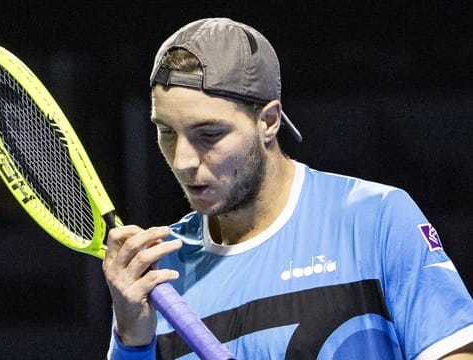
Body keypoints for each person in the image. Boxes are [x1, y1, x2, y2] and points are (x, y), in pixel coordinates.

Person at [102, 18, 473, 359]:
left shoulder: (375, 218)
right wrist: (131, 339)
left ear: (269, 121)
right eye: (166, 132)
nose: (182, 159)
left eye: (209, 135)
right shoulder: (160, 272)